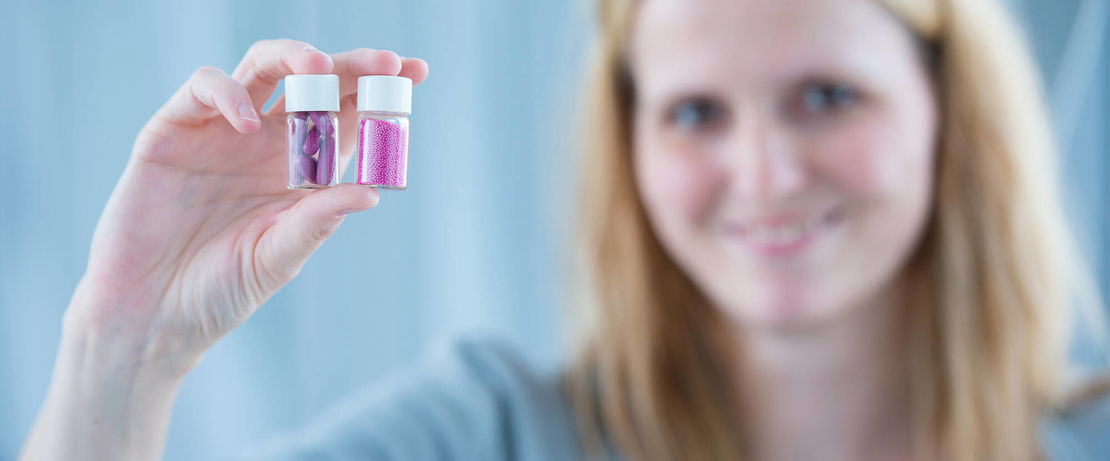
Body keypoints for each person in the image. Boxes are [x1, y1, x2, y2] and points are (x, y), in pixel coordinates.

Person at [18, 0, 1110, 460]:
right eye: (694, 113)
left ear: (950, 114)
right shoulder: (492, 430)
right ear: (629, 147)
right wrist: (124, 342)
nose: (767, 173)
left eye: (828, 96)